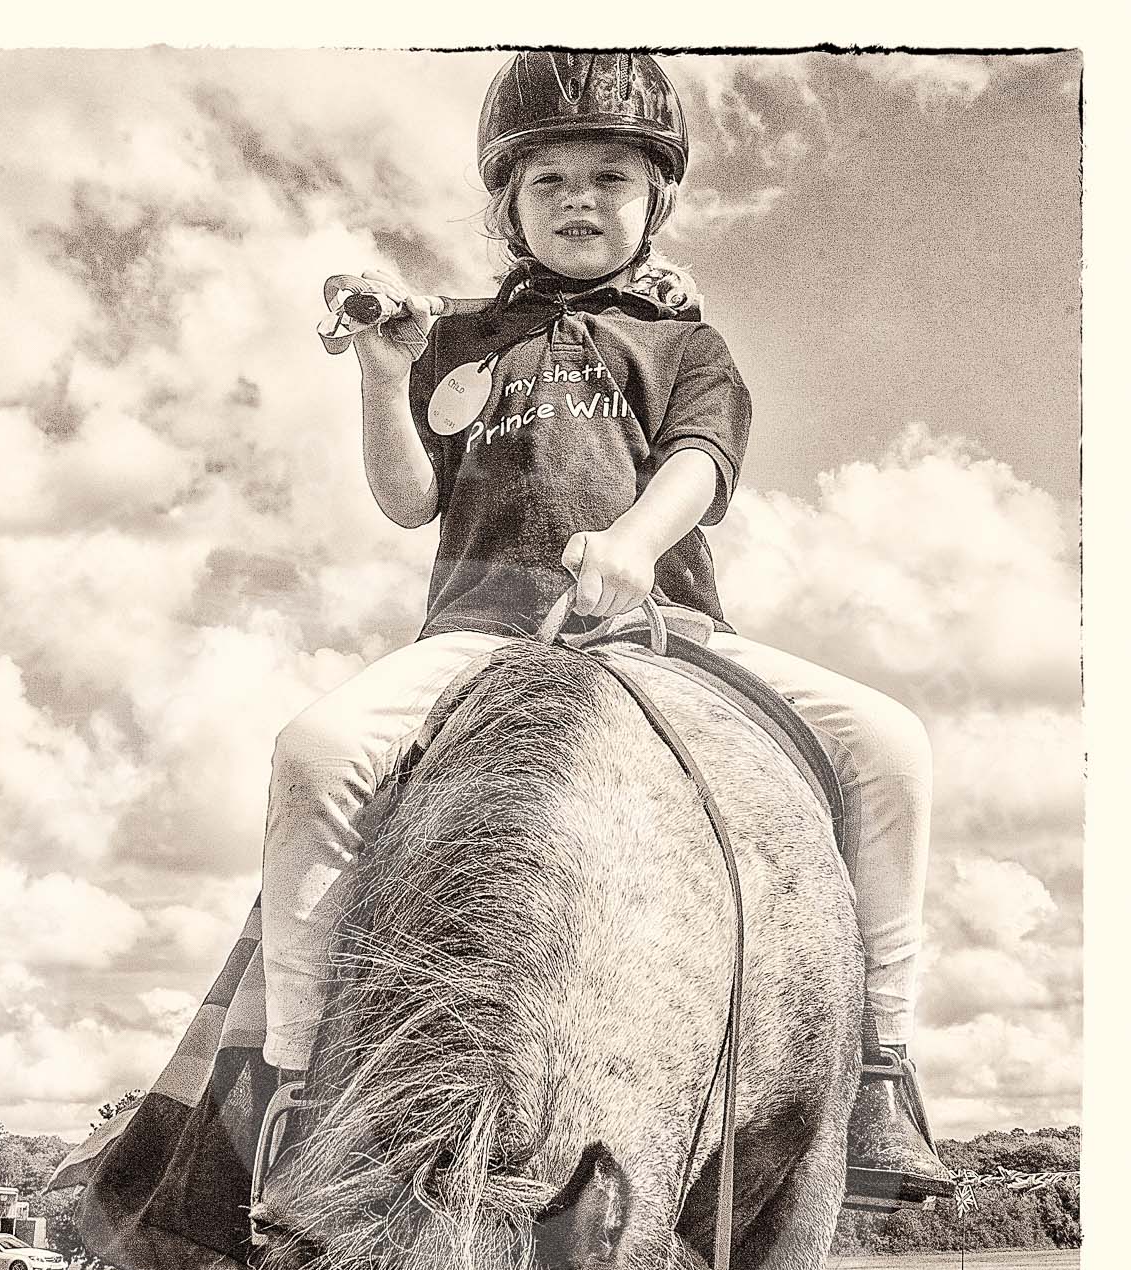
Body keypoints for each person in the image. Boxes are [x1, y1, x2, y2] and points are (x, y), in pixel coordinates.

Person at [260, 48, 949, 1205]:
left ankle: (880, 1063)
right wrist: (381, 377)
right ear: (509, 208)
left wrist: (632, 545)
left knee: (892, 744)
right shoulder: (455, 339)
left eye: (611, 178)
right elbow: (407, 499)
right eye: (552, 180)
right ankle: (294, 1080)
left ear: (655, 203)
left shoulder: (689, 345)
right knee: (313, 752)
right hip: (483, 628)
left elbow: (701, 463)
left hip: (669, 628)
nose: (582, 199)